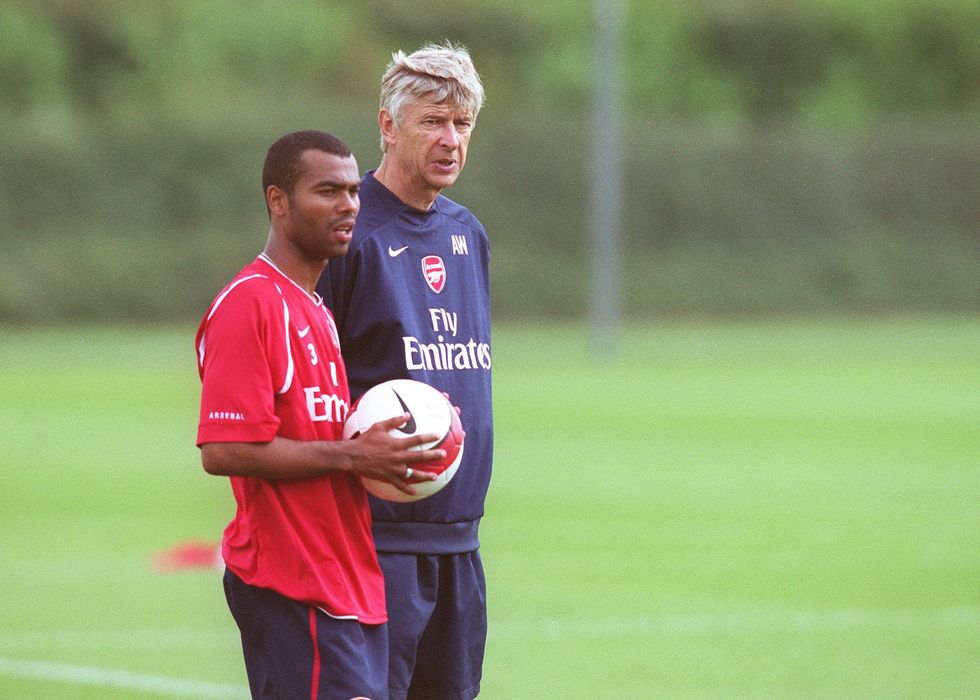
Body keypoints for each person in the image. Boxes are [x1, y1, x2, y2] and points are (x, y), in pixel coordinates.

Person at [195, 130, 446, 700]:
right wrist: (352, 455)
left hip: (348, 580)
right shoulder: (250, 303)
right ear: (278, 201)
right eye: (327, 191)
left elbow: (323, 429)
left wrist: (400, 440)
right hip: (292, 581)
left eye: (353, 191)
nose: (348, 205)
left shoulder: (316, 309)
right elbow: (224, 448)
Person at [316, 44, 491, 700]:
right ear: (387, 125)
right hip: (374, 542)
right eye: (432, 121)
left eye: (462, 124)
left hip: (460, 541)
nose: (451, 139)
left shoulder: (468, 234)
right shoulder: (346, 233)